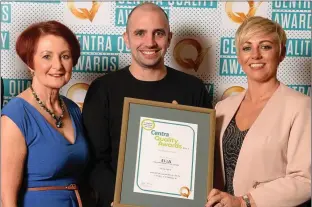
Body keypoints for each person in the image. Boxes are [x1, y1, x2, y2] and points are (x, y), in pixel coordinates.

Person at [82, 2, 212, 207]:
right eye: (140, 33)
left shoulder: (193, 89)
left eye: (158, 33)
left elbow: (203, 162)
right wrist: (122, 199)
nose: (149, 42)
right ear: (127, 38)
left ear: (169, 38)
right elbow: (95, 161)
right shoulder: (103, 89)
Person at [206, 16, 311, 207]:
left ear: (281, 53)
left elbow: (305, 180)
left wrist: (244, 202)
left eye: (265, 46)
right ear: (239, 56)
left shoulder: (301, 106)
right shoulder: (223, 107)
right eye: (247, 48)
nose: (255, 55)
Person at [1, 21, 89, 207]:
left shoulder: (73, 109)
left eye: (65, 56)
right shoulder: (16, 115)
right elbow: (6, 199)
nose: (57, 65)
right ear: (30, 62)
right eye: (47, 56)